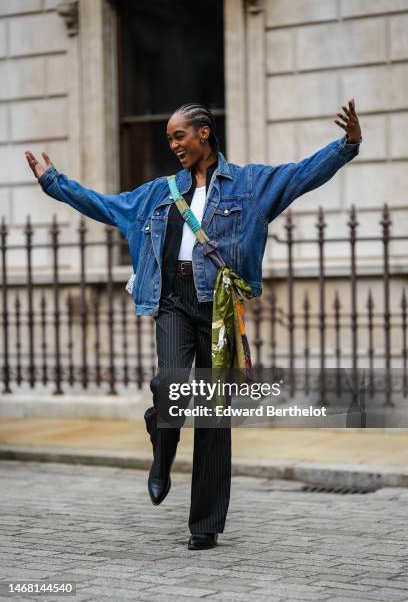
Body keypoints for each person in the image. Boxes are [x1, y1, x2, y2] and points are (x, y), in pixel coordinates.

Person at [25, 99, 362, 551]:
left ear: (204, 132)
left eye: (178, 136)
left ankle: (205, 524)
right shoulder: (159, 192)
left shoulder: (248, 184)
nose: (173, 145)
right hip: (172, 300)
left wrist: (347, 145)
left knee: (213, 415)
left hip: (218, 306)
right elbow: (107, 207)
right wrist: (55, 183)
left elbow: (301, 174)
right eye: (169, 139)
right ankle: (162, 456)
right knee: (172, 384)